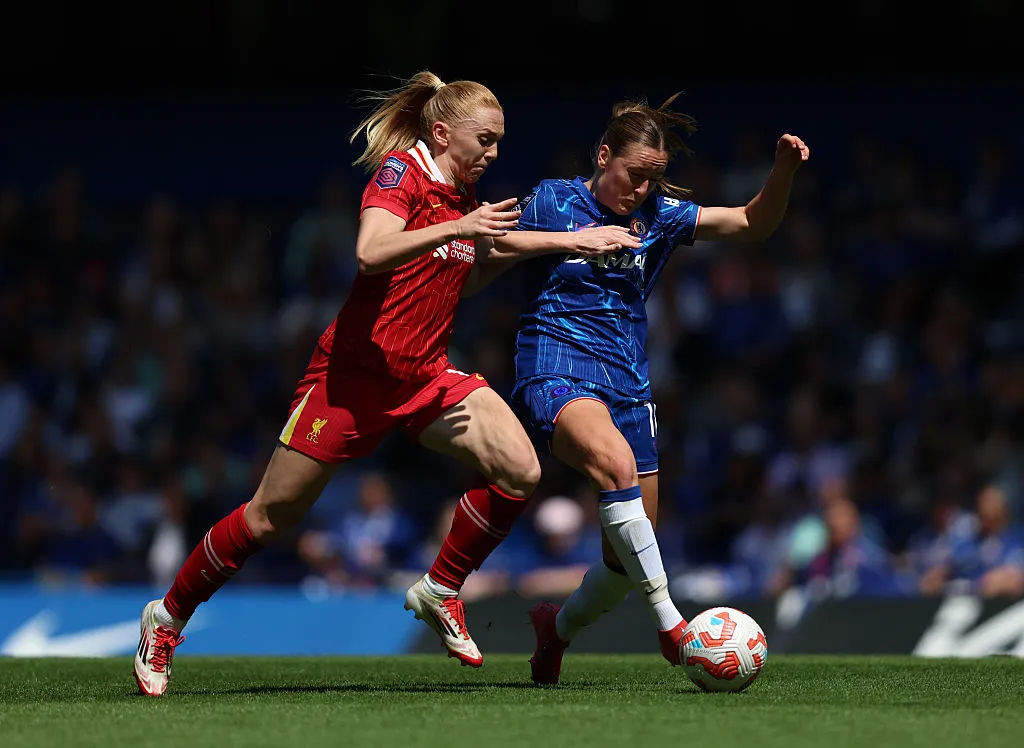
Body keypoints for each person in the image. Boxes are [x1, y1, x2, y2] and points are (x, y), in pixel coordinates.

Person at [132, 70, 641, 696]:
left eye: (499, 142)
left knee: (520, 470)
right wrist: (466, 230)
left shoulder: (461, 196)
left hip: (424, 376)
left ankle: (440, 587)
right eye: (485, 139)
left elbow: (468, 274)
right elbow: (370, 252)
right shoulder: (402, 173)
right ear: (442, 132)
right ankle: (166, 617)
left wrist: (570, 242)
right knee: (269, 517)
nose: (493, 153)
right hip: (350, 382)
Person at [501, 92, 809, 684]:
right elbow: (488, 245)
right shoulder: (552, 200)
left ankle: (554, 632)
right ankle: (672, 627)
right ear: (603, 156)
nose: (641, 188)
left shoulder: (660, 216)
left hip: (628, 385)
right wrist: (571, 241)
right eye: (633, 174)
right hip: (556, 364)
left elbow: (753, 222)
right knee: (616, 468)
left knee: (624, 563)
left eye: (653, 178)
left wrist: (783, 172)